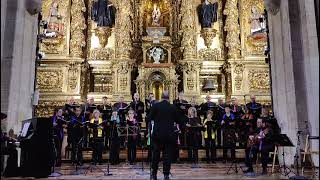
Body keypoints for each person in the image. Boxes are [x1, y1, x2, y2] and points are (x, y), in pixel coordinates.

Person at [147, 91, 183, 180]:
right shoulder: (172, 107)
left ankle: (154, 174)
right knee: (167, 156)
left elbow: (148, 118)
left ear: (161, 97)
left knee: (156, 155)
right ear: (168, 97)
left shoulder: (156, 106)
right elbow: (179, 121)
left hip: (157, 135)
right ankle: (166, 175)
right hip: (169, 135)